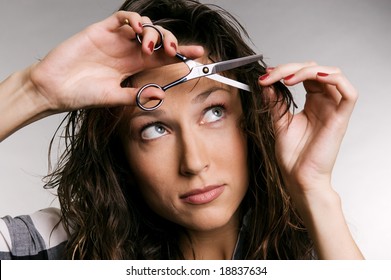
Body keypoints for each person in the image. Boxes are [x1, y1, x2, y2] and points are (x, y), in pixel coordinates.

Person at [0, 0, 363, 260]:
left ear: (252, 121)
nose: (193, 162)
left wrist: (313, 188)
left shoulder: (321, 254)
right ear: (120, 153)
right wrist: (33, 91)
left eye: (214, 111)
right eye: (154, 129)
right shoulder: (55, 247)